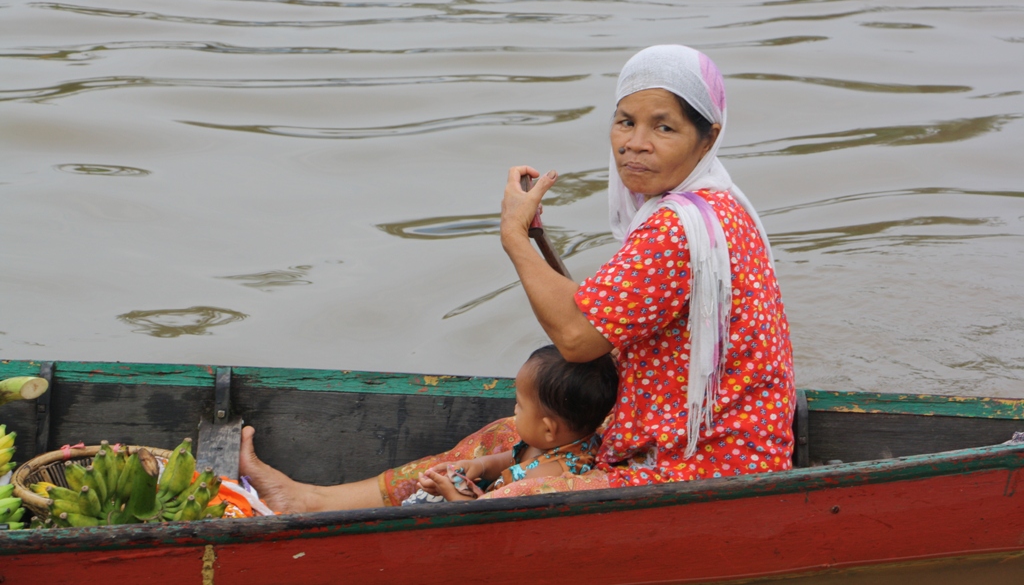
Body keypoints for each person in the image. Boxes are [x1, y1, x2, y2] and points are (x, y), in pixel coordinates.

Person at [239, 44, 795, 511]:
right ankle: (310, 503)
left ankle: (457, 521)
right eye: (625, 121)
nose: (634, 142)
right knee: (509, 436)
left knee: (523, 492)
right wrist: (534, 241)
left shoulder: (678, 227)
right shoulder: (714, 207)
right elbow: (606, 312)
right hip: (686, 436)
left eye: (663, 127)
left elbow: (578, 338)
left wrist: (511, 236)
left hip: (702, 466)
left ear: (708, 137)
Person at [404, 345, 617, 504]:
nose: (515, 410)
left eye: (520, 405)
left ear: (548, 429)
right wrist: (480, 466)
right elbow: (514, 459)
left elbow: (492, 520)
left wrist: (452, 495)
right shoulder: (559, 440)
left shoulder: (545, 478)